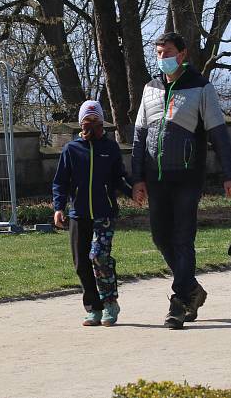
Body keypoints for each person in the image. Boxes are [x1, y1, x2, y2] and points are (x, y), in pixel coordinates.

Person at [131, 32, 231, 329]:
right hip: (156, 178)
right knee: (160, 237)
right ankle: (192, 288)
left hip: (187, 178)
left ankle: (179, 301)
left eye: (167, 52)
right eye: (158, 53)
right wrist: (137, 178)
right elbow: (139, 136)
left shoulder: (201, 88)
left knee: (183, 238)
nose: (162, 57)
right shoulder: (150, 88)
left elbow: (219, 135)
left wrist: (229, 176)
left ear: (182, 54)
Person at [52, 100, 132, 327]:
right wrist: (59, 207)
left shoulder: (110, 148)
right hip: (78, 214)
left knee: (99, 257)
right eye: (87, 121)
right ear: (81, 123)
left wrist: (133, 191)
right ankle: (93, 308)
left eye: (96, 121)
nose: (92, 125)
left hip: (103, 213)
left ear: (101, 123)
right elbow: (61, 182)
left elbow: (119, 177)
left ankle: (109, 304)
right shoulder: (71, 149)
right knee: (81, 263)